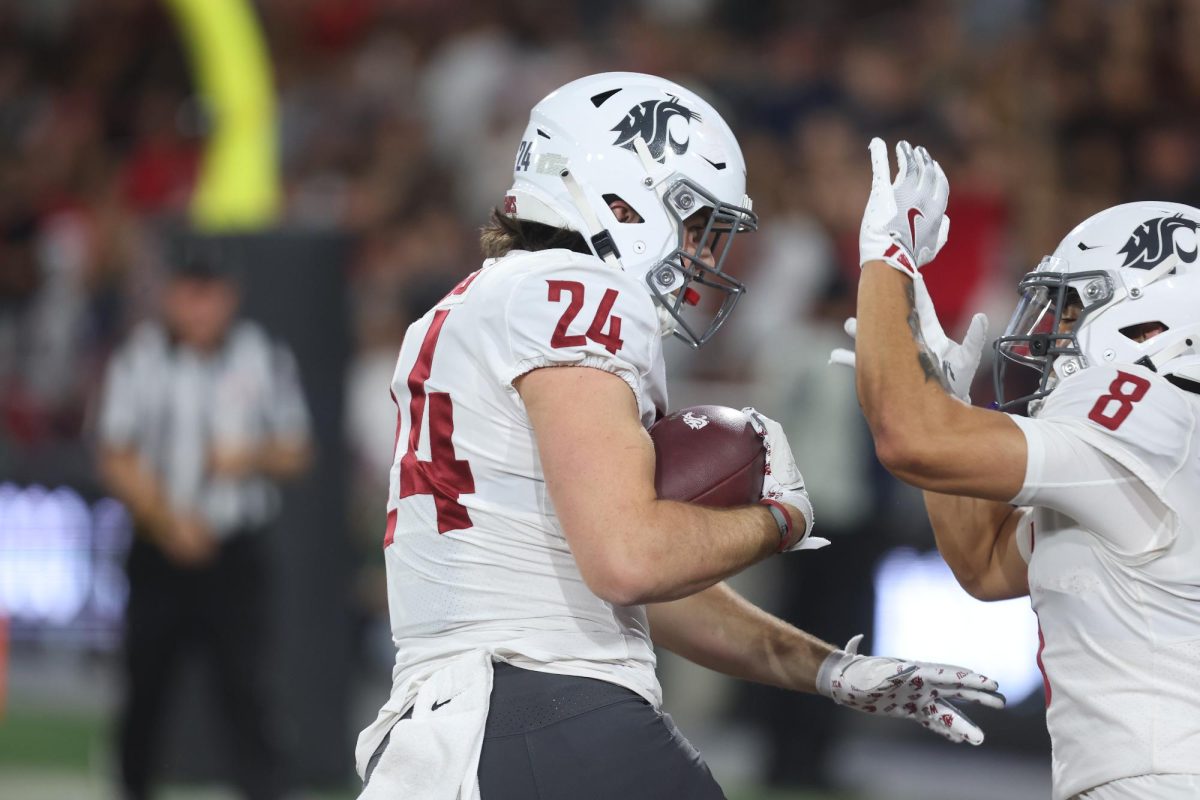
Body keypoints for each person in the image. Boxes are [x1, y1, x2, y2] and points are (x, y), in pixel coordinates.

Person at [355, 73, 1004, 800]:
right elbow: (630, 561)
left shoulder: (478, 306)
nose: (702, 253)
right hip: (548, 716)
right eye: (694, 221)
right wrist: (780, 520)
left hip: (445, 742)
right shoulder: (578, 291)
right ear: (624, 196)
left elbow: (631, 584)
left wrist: (828, 669)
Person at [842, 138, 1200, 800]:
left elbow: (909, 437)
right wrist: (943, 401)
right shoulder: (1144, 452)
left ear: (1152, 322)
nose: (1048, 332)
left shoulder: (1154, 412)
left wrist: (885, 259)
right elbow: (985, 563)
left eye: (1071, 308)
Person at [96, 244, 313, 800]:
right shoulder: (138, 359)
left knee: (247, 689)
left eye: (210, 293)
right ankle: (131, 787)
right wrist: (170, 522)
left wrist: (248, 456)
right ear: (170, 296)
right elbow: (115, 454)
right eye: (189, 292)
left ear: (229, 297)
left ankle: (264, 791)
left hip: (235, 550)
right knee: (145, 687)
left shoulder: (261, 355)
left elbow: (296, 449)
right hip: (157, 552)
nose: (199, 307)